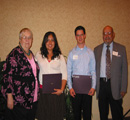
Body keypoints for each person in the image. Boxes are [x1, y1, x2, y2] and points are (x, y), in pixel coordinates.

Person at [1, 28, 40, 120]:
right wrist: (9, 96)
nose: (27, 40)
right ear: (20, 39)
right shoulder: (14, 54)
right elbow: (7, 76)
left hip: (32, 99)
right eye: (24, 37)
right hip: (19, 101)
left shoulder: (31, 54)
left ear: (32, 40)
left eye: (29, 37)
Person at [94, 25, 128, 120]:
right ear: (102, 35)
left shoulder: (121, 49)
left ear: (113, 35)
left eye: (109, 33)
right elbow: (94, 70)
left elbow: (124, 70)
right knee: (103, 114)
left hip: (116, 86)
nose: (107, 35)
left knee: (117, 114)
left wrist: (123, 88)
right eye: (105, 33)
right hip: (102, 86)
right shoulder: (97, 50)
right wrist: (95, 86)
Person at [35, 31, 67, 120]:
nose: (50, 43)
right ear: (44, 42)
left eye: (52, 40)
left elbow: (64, 74)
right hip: (43, 92)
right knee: (44, 116)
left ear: (55, 42)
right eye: (47, 40)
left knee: (56, 116)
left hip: (56, 93)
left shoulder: (60, 57)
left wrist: (62, 89)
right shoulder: (38, 55)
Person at [67, 26, 96, 120]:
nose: (80, 37)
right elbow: (68, 72)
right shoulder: (71, 53)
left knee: (87, 114)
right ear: (75, 37)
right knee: (76, 115)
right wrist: (70, 87)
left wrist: (93, 86)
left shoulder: (90, 53)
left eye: (81, 35)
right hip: (75, 89)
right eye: (78, 35)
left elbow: (93, 71)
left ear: (85, 36)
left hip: (88, 89)